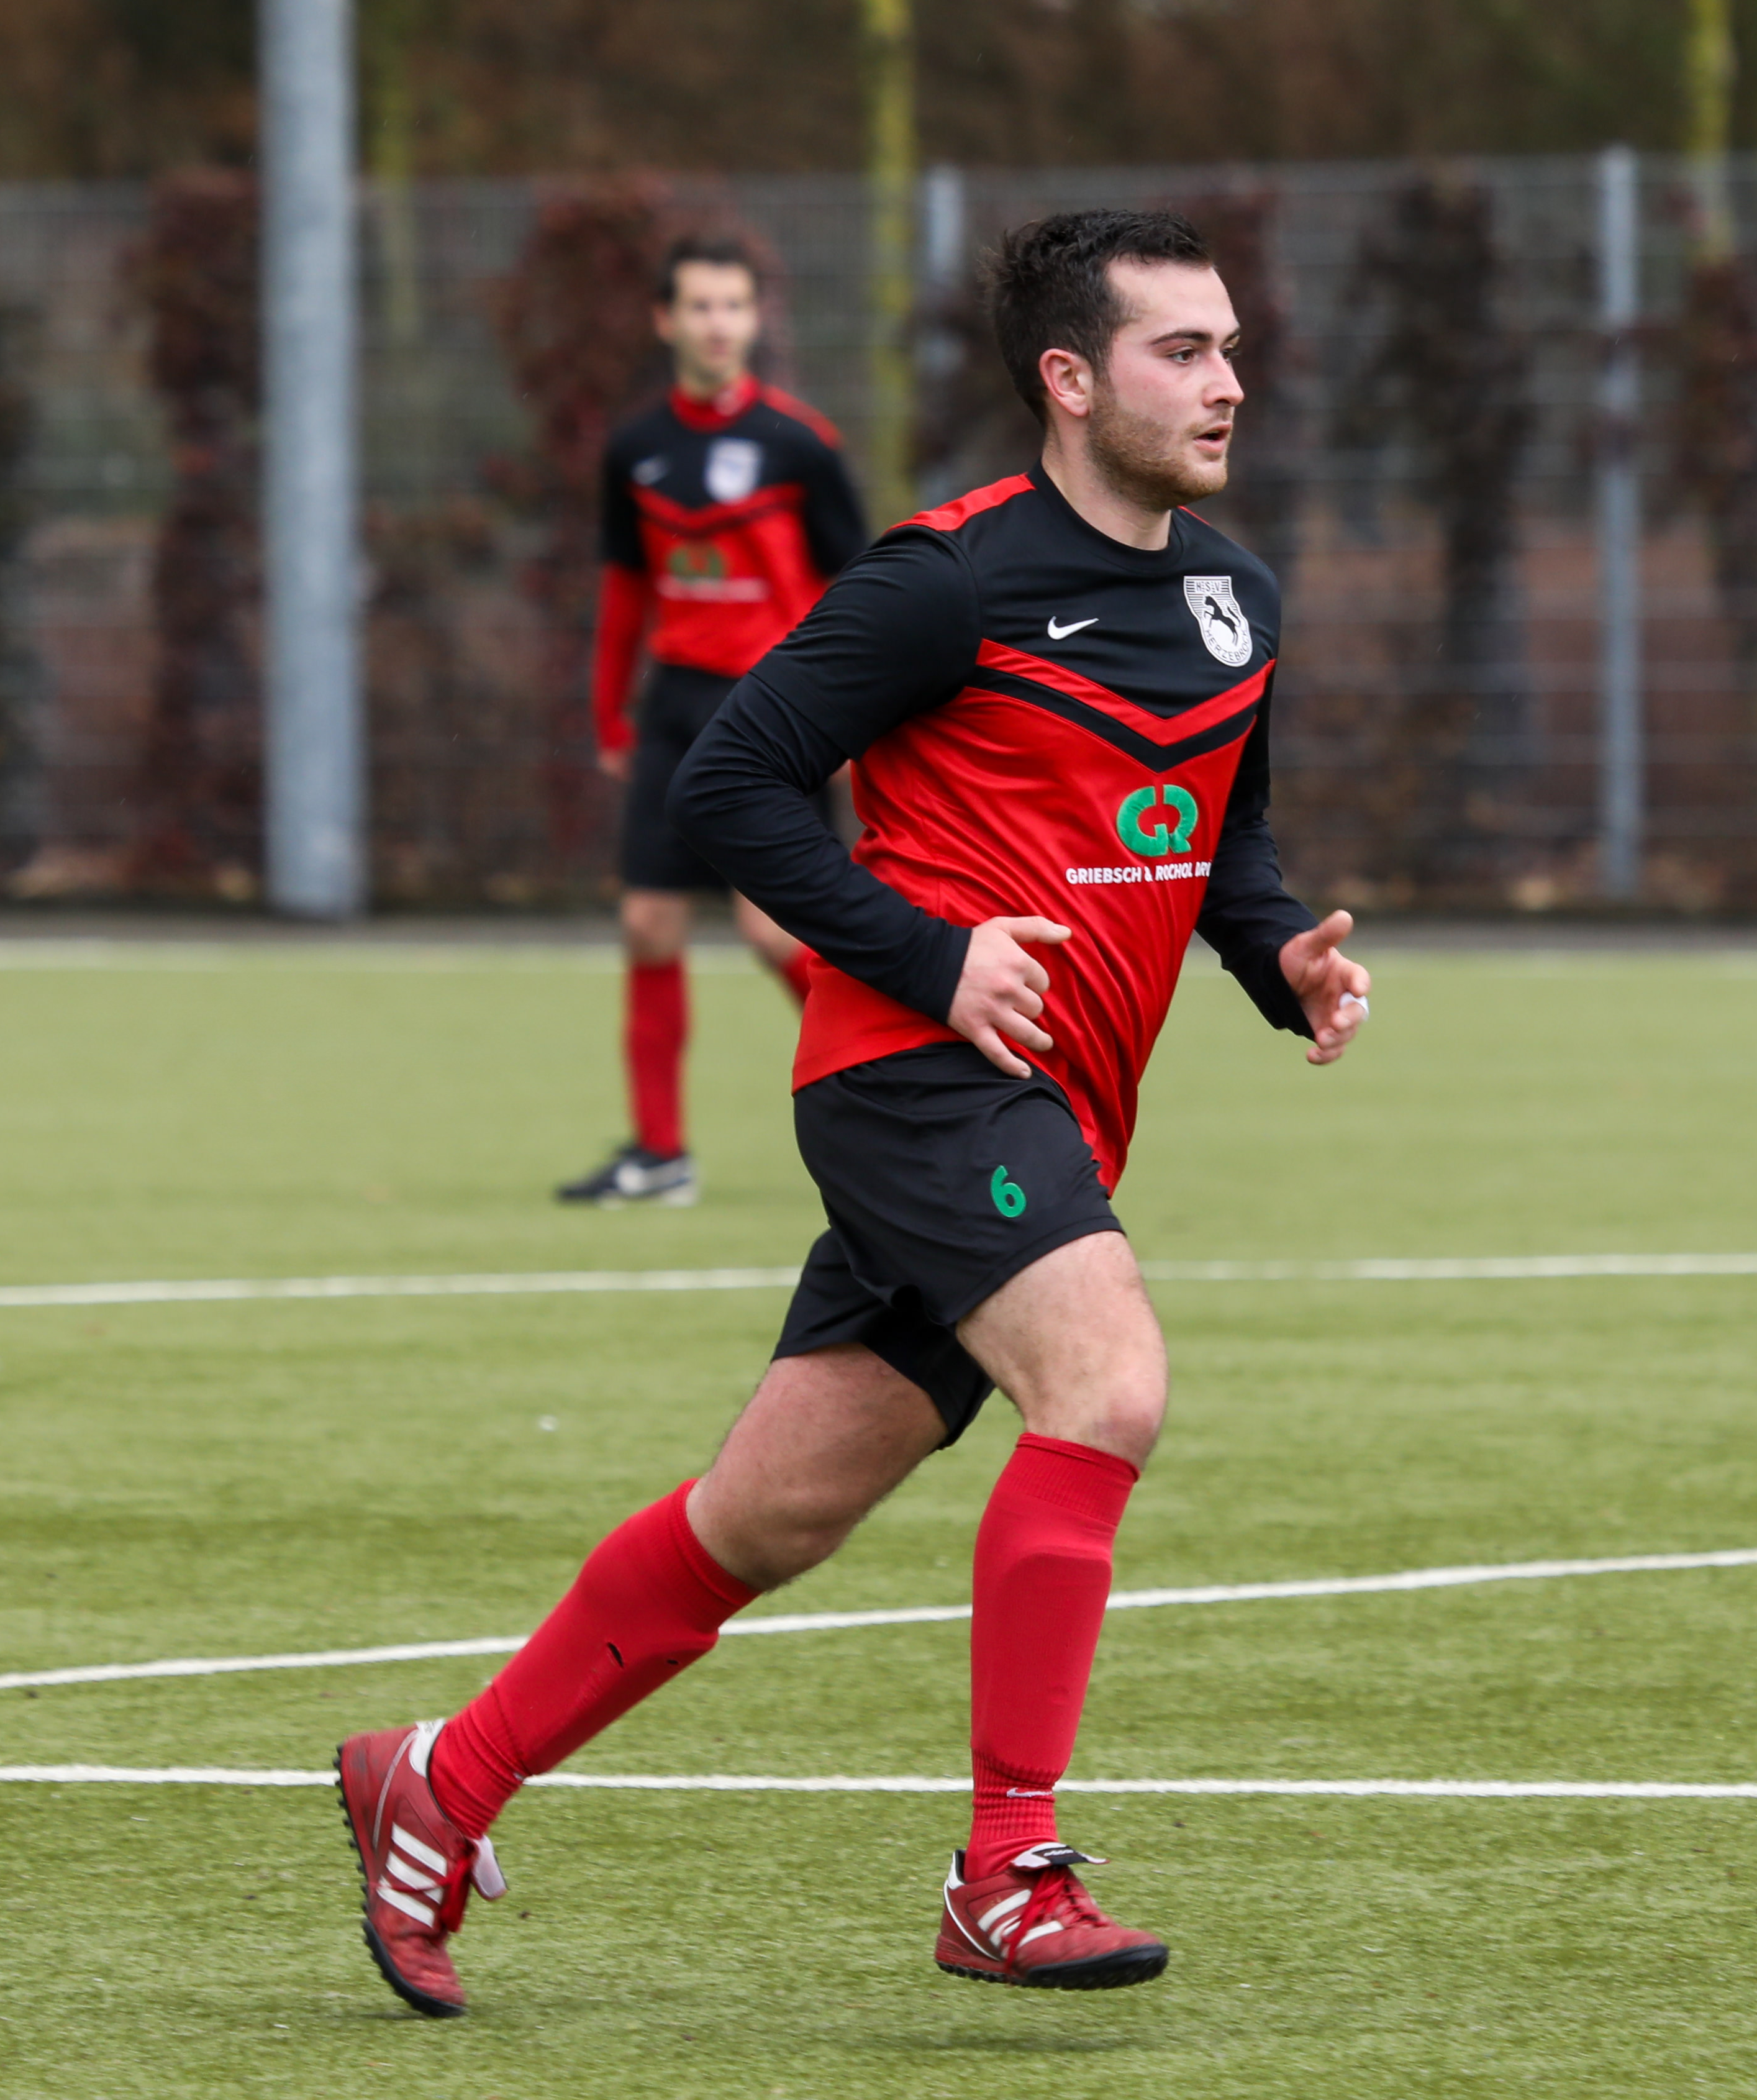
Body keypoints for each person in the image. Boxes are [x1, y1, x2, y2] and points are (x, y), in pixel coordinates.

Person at [338, 207, 1369, 2014]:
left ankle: (443, 1775)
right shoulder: (945, 580)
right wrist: (932, 954)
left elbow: (1223, 834)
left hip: (1052, 1102)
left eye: (1228, 347)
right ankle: (1007, 1868)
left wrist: (1280, 954)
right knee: (1107, 1383)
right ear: (1070, 379)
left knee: (770, 1512)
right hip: (914, 1076)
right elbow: (731, 779)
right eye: (1181, 351)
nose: (1228, 382)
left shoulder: (1235, 598)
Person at [560, 232, 871, 1209]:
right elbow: (625, 587)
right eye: (699, 305)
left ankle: (900, 1092)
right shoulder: (636, 448)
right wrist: (611, 712)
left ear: (755, 318)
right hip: (676, 705)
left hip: (779, 709)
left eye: (734, 304)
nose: (718, 323)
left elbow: (862, 592)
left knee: (774, 934)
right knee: (648, 923)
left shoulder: (801, 444)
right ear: (666, 320)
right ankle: (660, 1155)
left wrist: (854, 717)